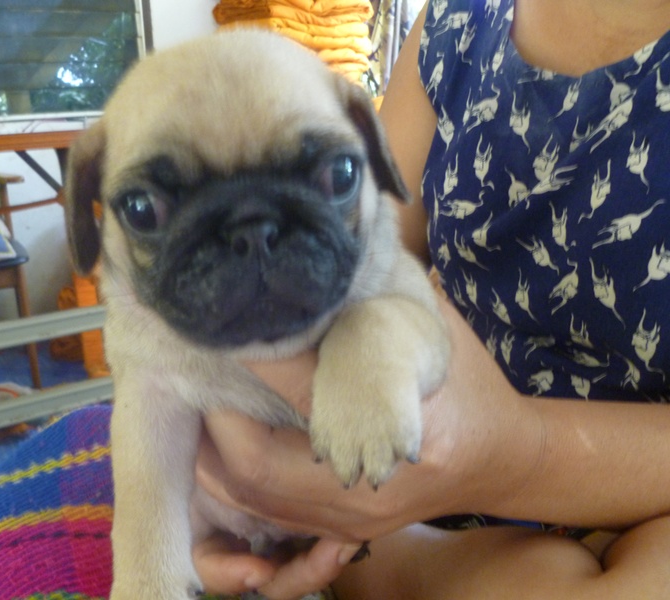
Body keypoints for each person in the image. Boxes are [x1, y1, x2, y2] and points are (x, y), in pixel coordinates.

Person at [193, 0, 670, 597]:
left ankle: (379, 558)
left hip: (637, 495)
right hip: (422, 461)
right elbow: (363, 265)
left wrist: (520, 452)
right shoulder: (458, 22)